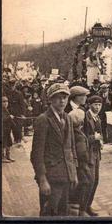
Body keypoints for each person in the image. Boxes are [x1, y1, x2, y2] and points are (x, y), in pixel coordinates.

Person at [30, 83, 78, 216]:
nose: (62, 101)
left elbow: (71, 147)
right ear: (50, 99)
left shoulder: (67, 118)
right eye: (57, 97)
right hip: (50, 177)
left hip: (66, 175)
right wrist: (42, 179)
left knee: (63, 213)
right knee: (48, 213)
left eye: (64, 97)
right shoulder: (43, 120)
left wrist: (73, 172)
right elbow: (36, 154)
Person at [68, 109, 93, 217]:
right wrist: (87, 160)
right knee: (86, 183)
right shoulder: (79, 135)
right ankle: (80, 210)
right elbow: (82, 152)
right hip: (82, 165)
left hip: (77, 164)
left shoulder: (72, 132)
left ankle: (77, 209)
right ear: (81, 122)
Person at [83, 95, 104, 216]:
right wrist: (93, 138)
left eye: (99, 105)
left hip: (96, 152)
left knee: (95, 180)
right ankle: (83, 207)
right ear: (90, 105)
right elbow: (82, 136)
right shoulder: (86, 117)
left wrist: (101, 141)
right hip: (88, 153)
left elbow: (100, 133)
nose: (98, 107)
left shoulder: (97, 118)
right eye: (95, 105)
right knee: (89, 181)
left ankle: (88, 205)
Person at [2, 96, 15, 163]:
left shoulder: (7, 110)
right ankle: (3, 157)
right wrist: (9, 117)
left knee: (9, 143)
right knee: (3, 143)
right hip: (3, 130)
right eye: (4, 102)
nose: (6, 103)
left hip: (8, 130)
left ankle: (8, 156)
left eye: (7, 101)